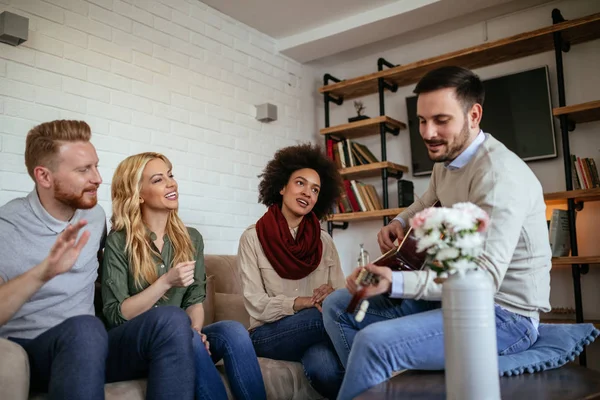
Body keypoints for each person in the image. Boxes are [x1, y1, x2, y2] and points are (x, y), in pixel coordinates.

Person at [322, 66, 552, 399]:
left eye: (441, 120)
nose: (428, 133)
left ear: (473, 115)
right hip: (449, 298)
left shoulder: (499, 176)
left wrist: (393, 280)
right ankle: (377, 389)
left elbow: (482, 280)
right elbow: (425, 201)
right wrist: (399, 222)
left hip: (503, 315)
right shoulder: (446, 160)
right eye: (422, 121)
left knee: (374, 342)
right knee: (338, 305)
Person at [0, 120, 195, 400]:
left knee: (171, 320)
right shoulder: (7, 225)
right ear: (44, 176)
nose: (98, 178)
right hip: (31, 352)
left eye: (96, 166)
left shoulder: (94, 217)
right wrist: (43, 272)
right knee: (86, 328)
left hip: (91, 347)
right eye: (83, 170)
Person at [101, 152, 266, 400]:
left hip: (182, 337)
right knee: (181, 333)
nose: (171, 183)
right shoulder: (119, 241)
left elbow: (194, 300)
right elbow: (117, 315)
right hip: (134, 343)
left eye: (170, 175)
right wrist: (165, 282)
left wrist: (197, 331)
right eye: (158, 179)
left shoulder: (191, 239)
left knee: (233, 331)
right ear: (138, 194)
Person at [237, 143, 346, 399]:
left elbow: (340, 295)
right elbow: (256, 303)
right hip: (269, 334)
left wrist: (330, 294)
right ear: (282, 186)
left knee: (326, 371)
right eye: (300, 183)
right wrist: (302, 303)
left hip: (314, 334)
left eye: (315, 189)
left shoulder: (325, 242)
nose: (307, 193)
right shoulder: (252, 238)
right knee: (325, 317)